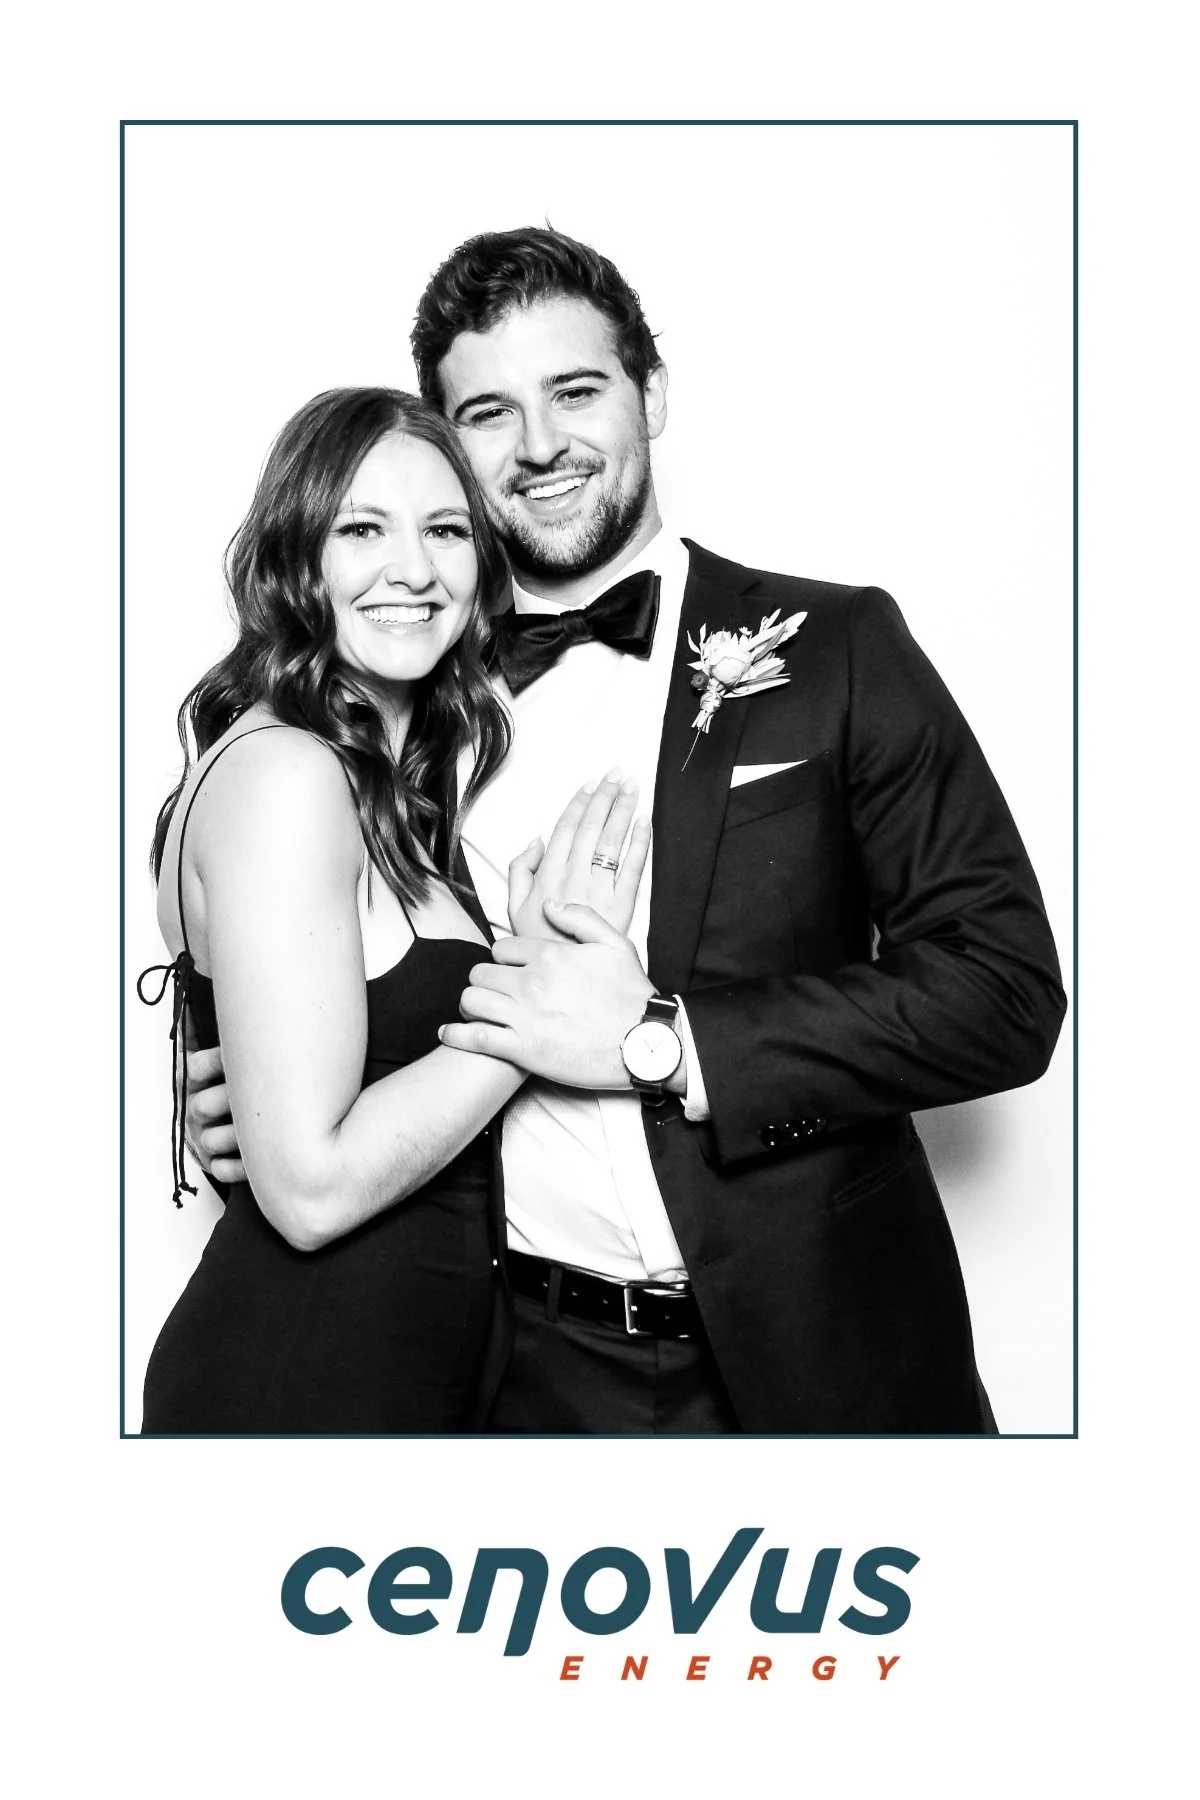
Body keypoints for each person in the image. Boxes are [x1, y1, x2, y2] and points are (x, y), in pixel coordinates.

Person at [187, 229, 1067, 1435]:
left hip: (828, 1356)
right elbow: (321, 970)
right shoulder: (397, 709)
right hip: (514, 1379)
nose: (541, 444)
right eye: (490, 411)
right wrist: (237, 1087)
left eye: (577, 391)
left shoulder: (840, 647)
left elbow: (1004, 992)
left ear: (650, 396)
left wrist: (665, 1043)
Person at [138, 384, 648, 1433]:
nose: (412, 569)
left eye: (446, 530)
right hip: (304, 1378)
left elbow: (311, 1081)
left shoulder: (370, 780)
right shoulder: (288, 776)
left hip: (410, 1374)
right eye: (362, 528)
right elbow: (312, 1190)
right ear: (297, 557)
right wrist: (532, 1009)